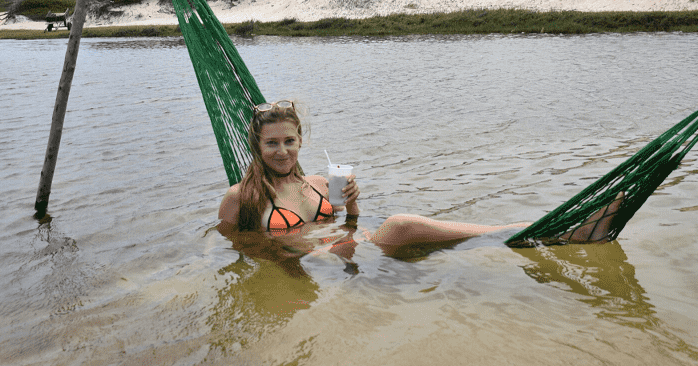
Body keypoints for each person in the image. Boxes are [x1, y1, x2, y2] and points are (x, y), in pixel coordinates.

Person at [217, 100, 623, 253]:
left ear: (301, 140)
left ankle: (548, 231)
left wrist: (353, 201)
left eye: (290, 140)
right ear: (258, 147)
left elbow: (350, 224)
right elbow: (228, 249)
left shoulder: (321, 184)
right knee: (403, 223)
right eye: (272, 144)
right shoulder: (240, 196)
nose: (283, 151)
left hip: (355, 252)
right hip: (323, 263)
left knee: (436, 238)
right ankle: (549, 231)